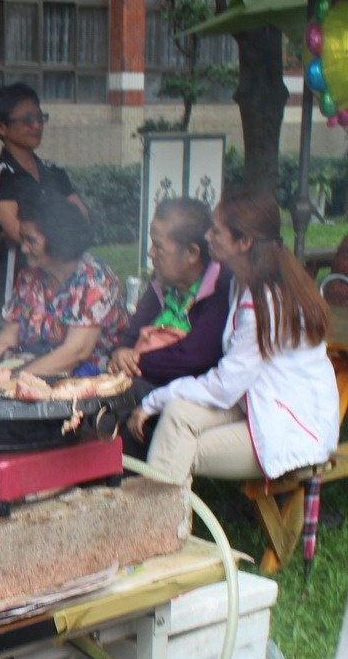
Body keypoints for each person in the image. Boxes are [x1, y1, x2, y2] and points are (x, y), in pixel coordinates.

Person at [128, 187, 339, 485]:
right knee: (175, 415)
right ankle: (164, 526)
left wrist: (152, 400)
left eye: (216, 232)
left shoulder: (266, 302)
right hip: (256, 404)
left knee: (173, 446)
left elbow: (225, 386)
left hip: (291, 427)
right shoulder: (243, 284)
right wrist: (160, 400)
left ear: (244, 242)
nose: (208, 237)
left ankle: (155, 528)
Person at [107, 198, 233, 456]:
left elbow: (194, 357)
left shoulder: (221, 287)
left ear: (192, 253)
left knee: (121, 395)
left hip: (195, 394)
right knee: (108, 392)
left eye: (158, 246)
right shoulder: (162, 284)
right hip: (150, 384)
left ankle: (130, 482)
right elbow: (129, 337)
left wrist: (135, 361)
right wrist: (120, 354)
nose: (151, 254)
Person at [0, 83, 87, 360]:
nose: (36, 126)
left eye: (40, 118)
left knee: (52, 369)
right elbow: (21, 232)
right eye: (26, 120)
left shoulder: (53, 171)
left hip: (57, 292)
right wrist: (47, 225)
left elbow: (82, 223)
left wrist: (33, 226)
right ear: (1, 127)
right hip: (3, 295)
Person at [0, 193, 127, 377]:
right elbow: (8, 337)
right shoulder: (28, 278)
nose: (23, 248)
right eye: (22, 239)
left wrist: (12, 378)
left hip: (80, 378)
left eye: (31, 241)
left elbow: (76, 353)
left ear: (58, 239)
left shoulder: (95, 280)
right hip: (29, 370)